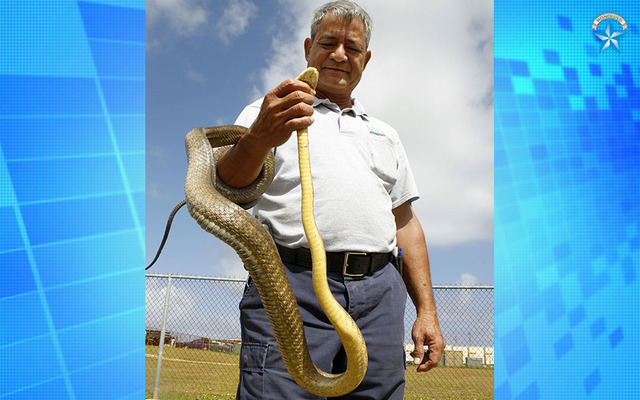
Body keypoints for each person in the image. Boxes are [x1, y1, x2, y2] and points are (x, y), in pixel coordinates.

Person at [217, 1, 445, 399]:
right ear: (308, 48)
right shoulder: (269, 110)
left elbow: (405, 224)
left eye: (352, 48)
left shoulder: (385, 134)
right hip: (289, 284)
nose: (340, 54)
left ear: (366, 59)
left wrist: (427, 310)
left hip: (380, 293)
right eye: (329, 42)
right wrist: (259, 137)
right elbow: (229, 187)